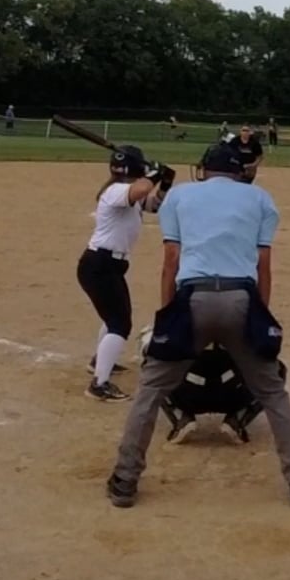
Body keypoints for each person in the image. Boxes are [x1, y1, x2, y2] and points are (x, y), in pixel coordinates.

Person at [107, 142, 290, 510]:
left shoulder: (180, 196)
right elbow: (263, 265)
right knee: (272, 391)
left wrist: (168, 314)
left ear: (204, 169)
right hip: (241, 297)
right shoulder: (260, 199)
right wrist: (259, 315)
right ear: (239, 172)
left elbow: (171, 260)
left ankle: (125, 479)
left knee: (151, 389)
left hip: (193, 298)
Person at [80, 145, 174, 400]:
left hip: (106, 265)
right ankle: (99, 384)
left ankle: (100, 361)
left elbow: (153, 205)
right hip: (100, 264)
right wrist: (155, 173)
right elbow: (141, 190)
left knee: (113, 317)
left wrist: (164, 183)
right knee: (120, 323)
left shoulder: (124, 191)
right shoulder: (116, 190)